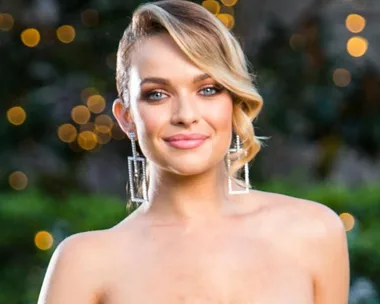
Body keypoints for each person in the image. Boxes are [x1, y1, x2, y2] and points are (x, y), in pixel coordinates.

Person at [37, 0, 350, 303]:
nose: (185, 115)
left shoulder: (314, 231)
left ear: (235, 101)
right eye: (157, 94)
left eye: (208, 90)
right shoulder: (84, 263)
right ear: (126, 117)